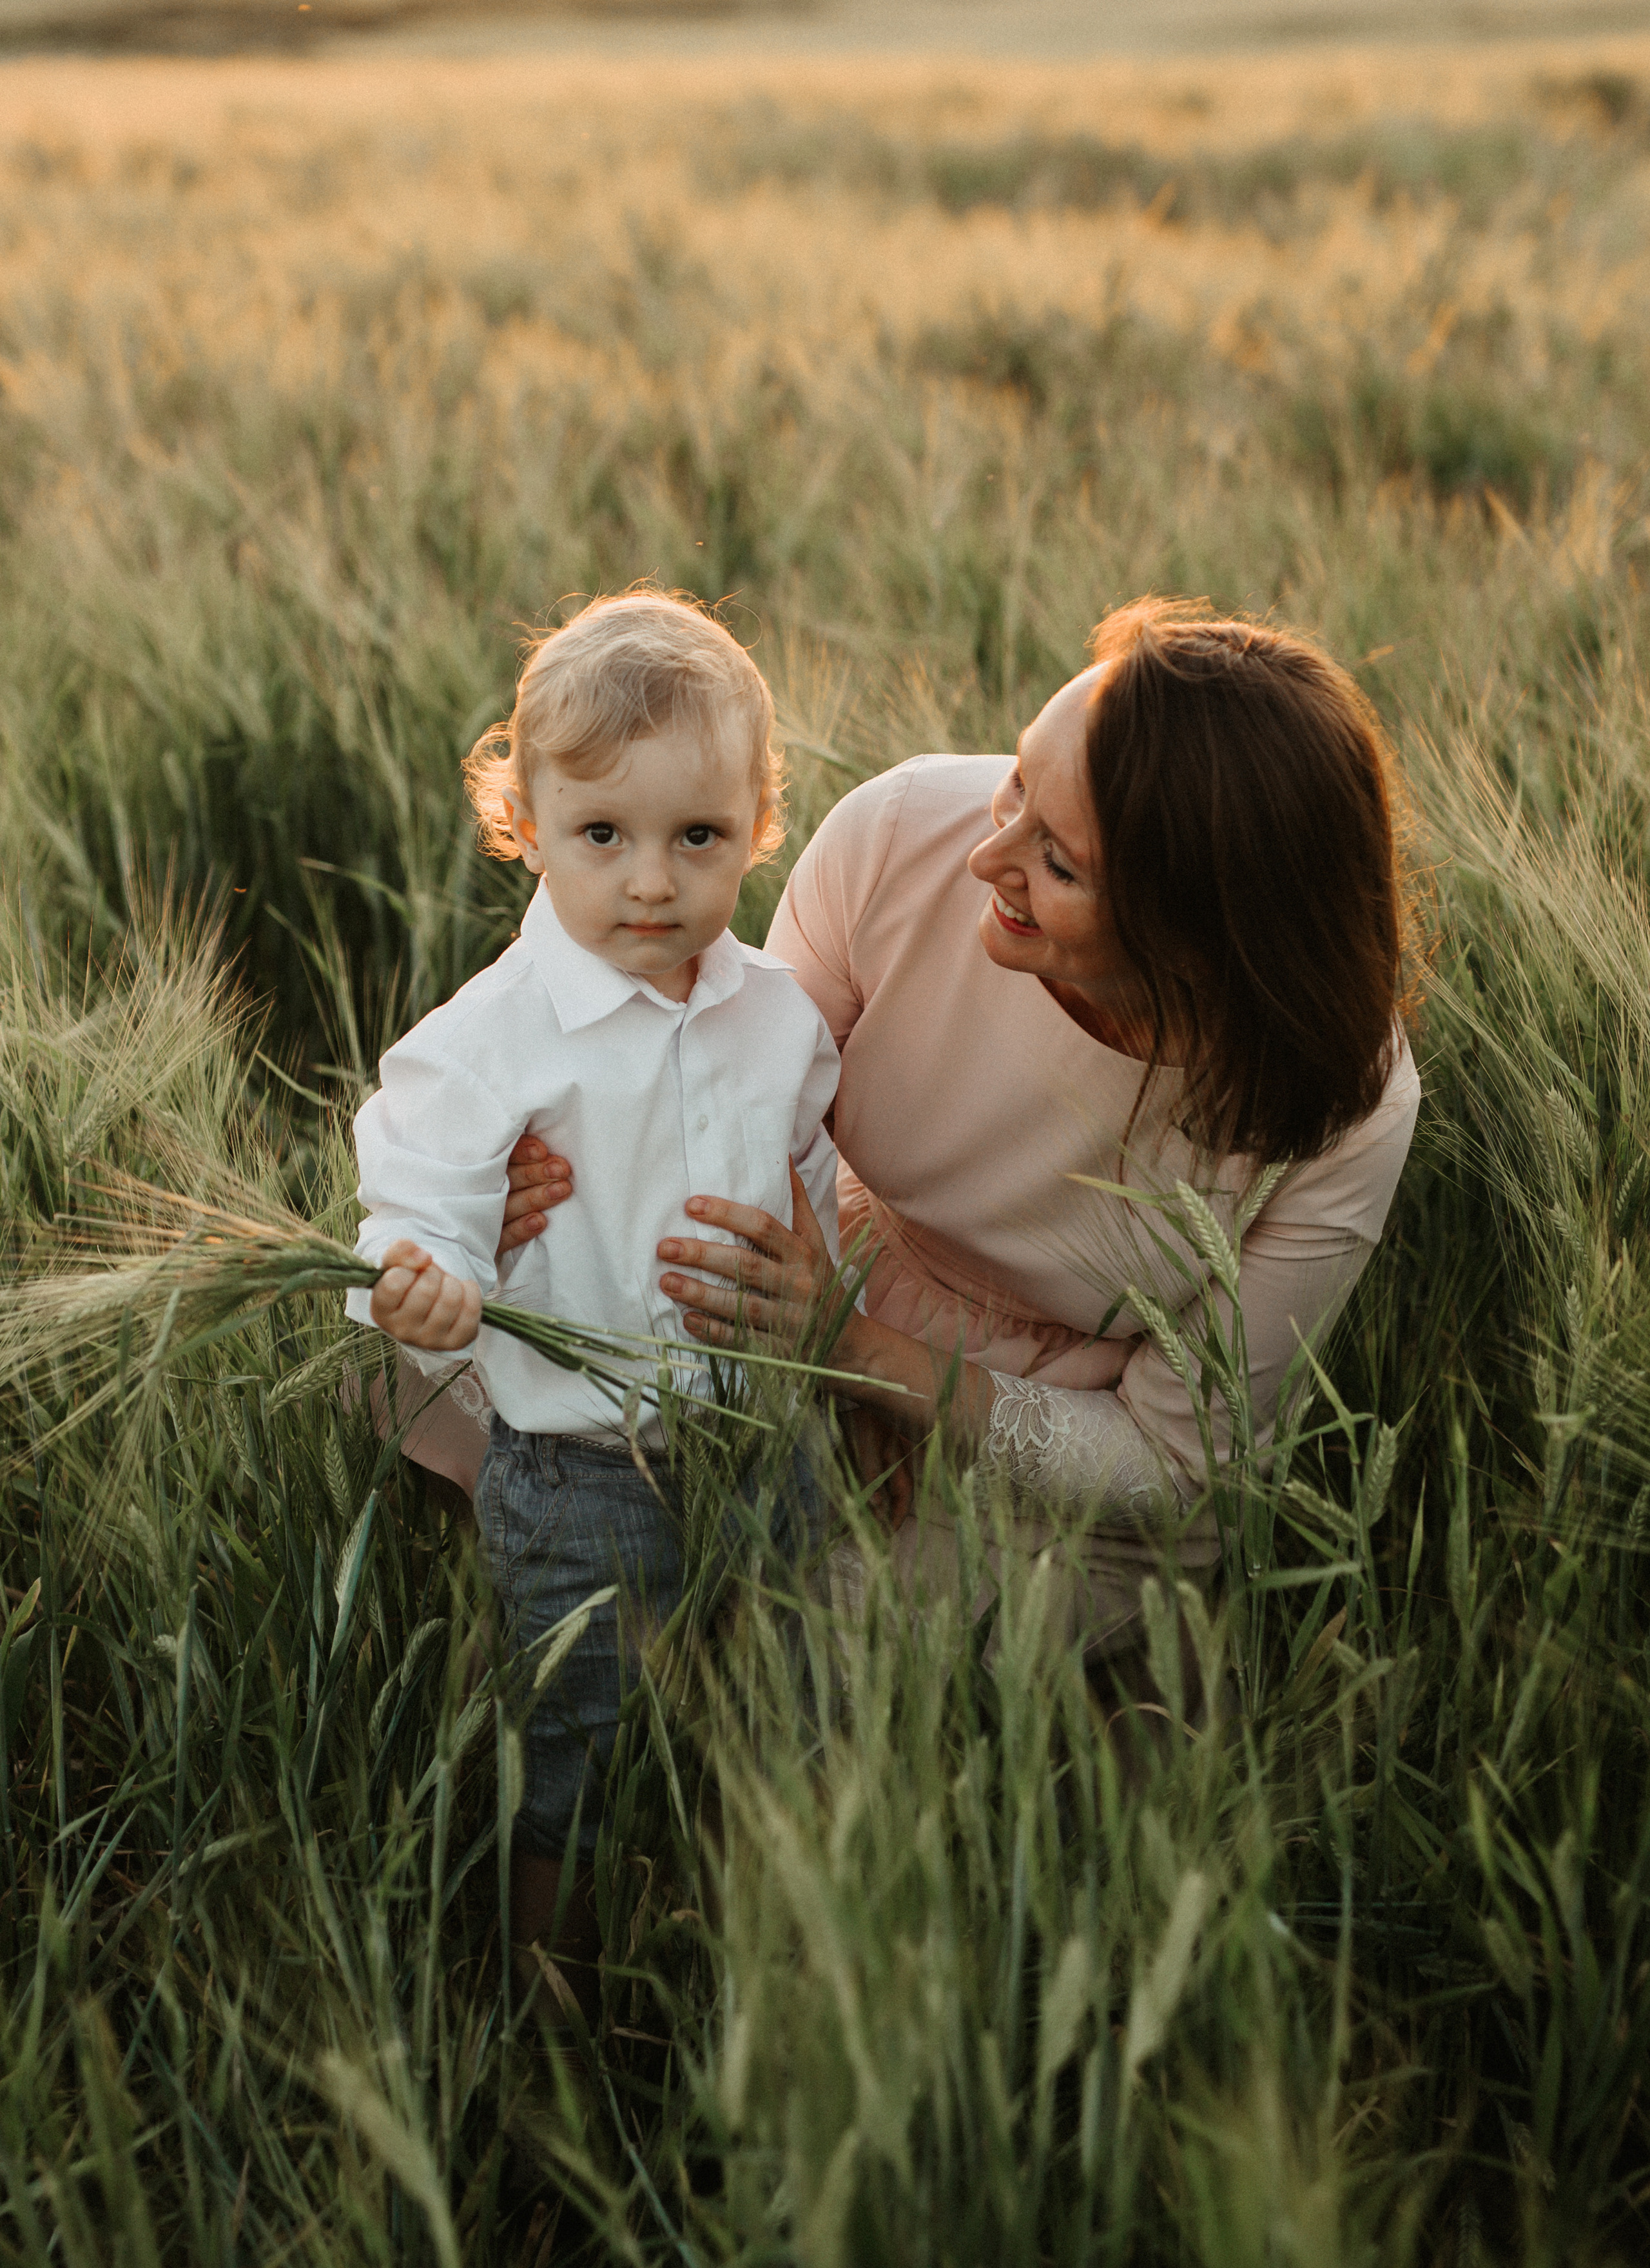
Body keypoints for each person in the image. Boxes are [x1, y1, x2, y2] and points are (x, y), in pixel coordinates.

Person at [501, 597, 1422, 1704]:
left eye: (1060, 864)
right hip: (808, 1288)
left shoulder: (1345, 1108)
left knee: (789, 1658)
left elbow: (1174, 1462)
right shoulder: (902, 833)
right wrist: (542, 1172)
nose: (988, 855)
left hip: (1061, 1451)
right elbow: (725, 1120)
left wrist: (881, 1369)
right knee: (469, 1378)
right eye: (1020, 783)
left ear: (1199, 937)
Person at [345, 589, 841, 2011]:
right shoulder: (486, 1042)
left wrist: (818, 1291)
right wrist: (428, 1282)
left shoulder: (779, 1016)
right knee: (579, 1746)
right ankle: (545, 2005)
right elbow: (418, 1204)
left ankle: (750, 1972)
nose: (652, 883)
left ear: (760, 823)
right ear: (524, 822)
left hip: (764, 1445)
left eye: (698, 837)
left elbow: (813, 1185)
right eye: (603, 835)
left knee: (785, 1715)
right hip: (579, 1474)